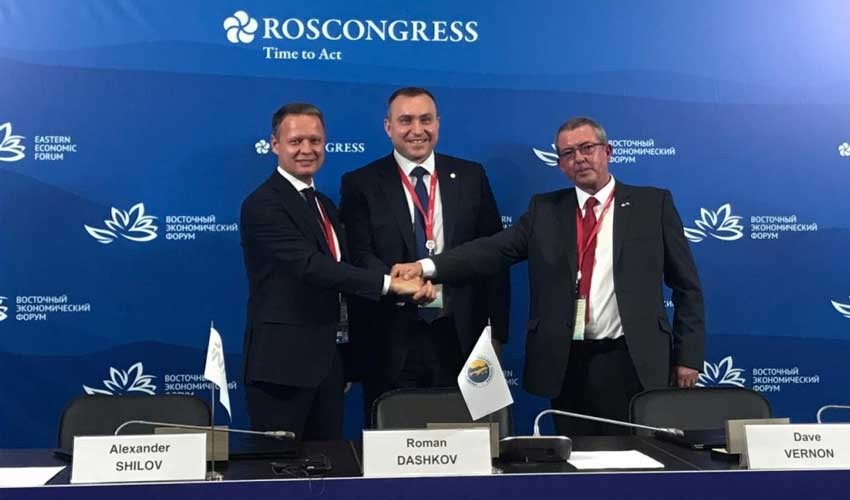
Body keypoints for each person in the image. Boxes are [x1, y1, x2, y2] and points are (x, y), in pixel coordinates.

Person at [393, 117, 705, 435]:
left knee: (636, 457)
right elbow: (490, 251)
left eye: (587, 148)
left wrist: (688, 357)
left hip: (633, 359)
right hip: (566, 363)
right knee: (574, 456)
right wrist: (425, 267)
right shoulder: (545, 211)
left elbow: (687, 287)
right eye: (568, 153)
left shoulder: (652, 205)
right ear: (560, 165)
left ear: (608, 151)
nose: (579, 158)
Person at [240, 102, 433, 440]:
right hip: (281, 368)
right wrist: (391, 284)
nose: (307, 149)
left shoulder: (323, 204)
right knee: (278, 464)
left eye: (315, 141)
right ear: (274, 145)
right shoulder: (263, 204)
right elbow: (313, 267)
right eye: (296, 141)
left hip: (328, 363)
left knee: (327, 462)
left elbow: (347, 271)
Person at [339, 87, 510, 424]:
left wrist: (498, 333)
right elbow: (358, 254)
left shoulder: (471, 176)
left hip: (462, 335)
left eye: (425, 119)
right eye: (406, 120)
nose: (417, 130)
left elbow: (493, 255)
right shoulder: (361, 183)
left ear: (438, 123)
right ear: (388, 127)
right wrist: (399, 284)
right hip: (390, 336)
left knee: (471, 440)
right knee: (395, 439)